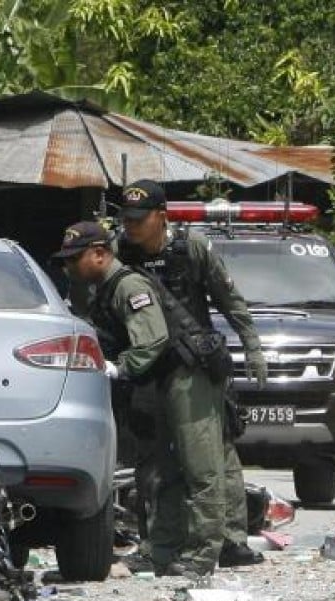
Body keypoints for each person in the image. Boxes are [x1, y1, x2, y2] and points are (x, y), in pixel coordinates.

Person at [56, 220, 229, 576]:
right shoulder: (106, 288)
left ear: (100, 254)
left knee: (201, 468)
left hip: (187, 376)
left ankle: (202, 557)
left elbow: (151, 340)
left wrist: (118, 368)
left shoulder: (128, 286)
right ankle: (162, 552)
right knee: (164, 473)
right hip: (162, 380)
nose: (69, 267)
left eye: (76, 258)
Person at [115, 178, 268, 571]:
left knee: (211, 459)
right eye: (126, 217)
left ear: (161, 217)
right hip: (151, 370)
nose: (131, 225)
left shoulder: (190, 248)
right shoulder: (119, 251)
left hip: (193, 366)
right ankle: (164, 544)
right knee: (158, 461)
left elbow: (228, 299)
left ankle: (220, 544)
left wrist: (252, 347)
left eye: (139, 218)